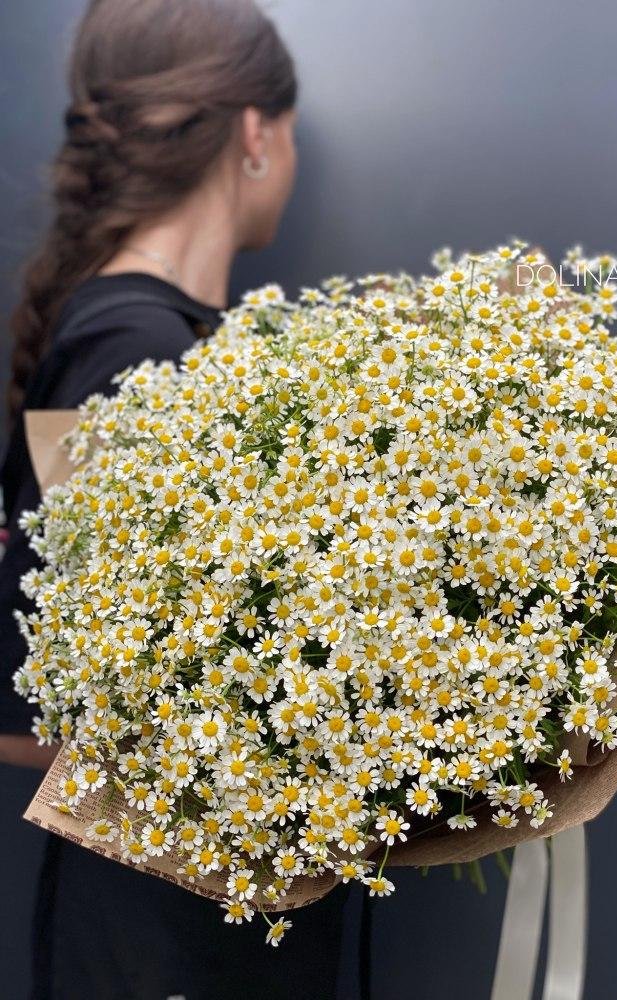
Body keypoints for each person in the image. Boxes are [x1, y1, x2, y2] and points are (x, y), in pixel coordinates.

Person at [0, 2, 355, 997]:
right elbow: (33, 706)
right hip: (165, 939)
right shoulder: (136, 352)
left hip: (199, 927)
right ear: (256, 132)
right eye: (286, 130)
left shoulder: (173, 342)